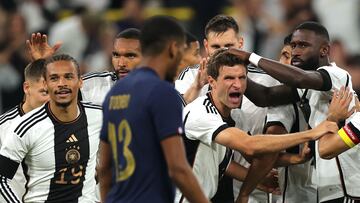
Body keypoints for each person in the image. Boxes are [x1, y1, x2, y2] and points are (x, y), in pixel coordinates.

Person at [176, 49, 338, 203]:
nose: (238, 85)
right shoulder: (201, 113)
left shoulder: (232, 116)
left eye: (242, 78)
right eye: (229, 78)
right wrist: (312, 133)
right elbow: (250, 146)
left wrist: (295, 159)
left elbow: (240, 160)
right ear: (212, 82)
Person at [229, 21, 356, 203]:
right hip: (328, 187)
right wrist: (237, 74)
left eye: (303, 45)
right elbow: (265, 96)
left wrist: (250, 57)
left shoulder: (337, 75)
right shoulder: (307, 88)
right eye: (294, 45)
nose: (296, 51)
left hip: (348, 186)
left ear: (324, 50)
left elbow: (299, 77)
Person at [98, 16, 209, 203]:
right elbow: (178, 169)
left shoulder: (114, 93)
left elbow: (104, 168)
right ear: (173, 48)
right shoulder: (163, 92)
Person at [0, 54, 102, 202]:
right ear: (46, 84)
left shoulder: (100, 115)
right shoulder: (23, 127)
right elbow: (2, 178)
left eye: (68, 77)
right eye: (54, 78)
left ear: (80, 82)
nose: (62, 83)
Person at [263, 34, 317, 203]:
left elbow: (267, 150)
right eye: (285, 56)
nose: (287, 64)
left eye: (294, 59)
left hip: (295, 196)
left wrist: (296, 159)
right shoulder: (328, 92)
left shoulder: (283, 103)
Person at [26, 28, 142, 105]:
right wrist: (42, 65)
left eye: (130, 56)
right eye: (116, 55)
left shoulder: (159, 89)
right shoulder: (93, 85)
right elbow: (44, 98)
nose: (121, 63)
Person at [0, 59, 49, 202]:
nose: (51, 100)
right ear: (27, 88)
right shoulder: (4, 128)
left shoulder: (61, 123)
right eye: (44, 92)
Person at [175, 14, 244, 104]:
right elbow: (179, 111)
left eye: (228, 46)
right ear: (206, 46)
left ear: (240, 43)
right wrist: (197, 86)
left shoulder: (260, 76)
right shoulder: (191, 75)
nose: (222, 52)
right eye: (216, 47)